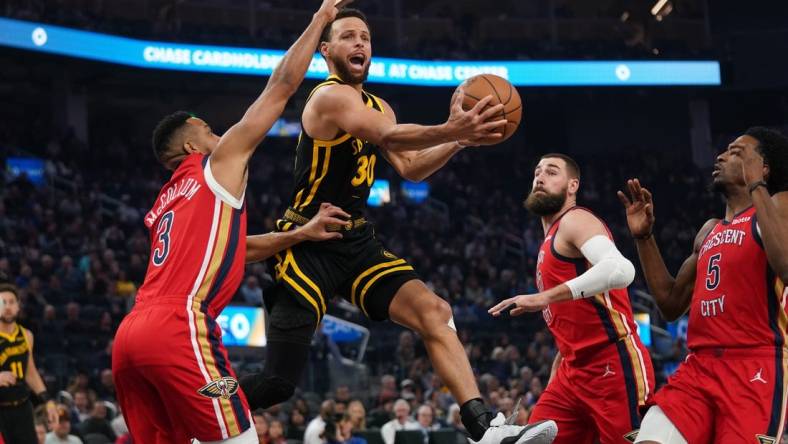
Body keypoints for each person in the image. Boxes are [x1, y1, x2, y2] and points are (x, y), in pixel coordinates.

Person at [239, 7, 557, 444]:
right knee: (279, 382)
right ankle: (200, 407)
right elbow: (389, 138)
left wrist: (457, 140)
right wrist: (449, 126)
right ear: (326, 50)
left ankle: (484, 429)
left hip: (354, 239)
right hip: (305, 241)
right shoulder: (328, 96)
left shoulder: (379, 105)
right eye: (349, 36)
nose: (360, 44)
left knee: (435, 312)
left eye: (366, 37)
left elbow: (409, 167)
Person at [111, 1, 354, 442]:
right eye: (207, 128)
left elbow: (232, 251)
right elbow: (280, 87)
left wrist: (298, 234)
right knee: (240, 435)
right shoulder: (216, 162)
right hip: (180, 329)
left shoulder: (167, 201)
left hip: (129, 340)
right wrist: (321, 16)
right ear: (190, 145)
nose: (218, 133)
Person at [620, 127, 788, 443]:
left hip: (754, 364)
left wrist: (757, 185)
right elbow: (670, 303)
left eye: (737, 152)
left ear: (763, 166)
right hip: (698, 366)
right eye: (724, 150)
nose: (722, 155)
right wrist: (644, 237)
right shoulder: (709, 230)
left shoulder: (779, 205)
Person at [489, 153, 655, 443]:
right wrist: (561, 358)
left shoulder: (575, 220)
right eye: (537, 172)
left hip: (612, 363)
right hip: (571, 371)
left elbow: (621, 269)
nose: (540, 177)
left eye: (552, 172)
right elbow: (576, 315)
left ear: (572, 185)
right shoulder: (550, 237)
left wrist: (543, 298)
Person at [0, 284, 59, 443]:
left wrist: (48, 401)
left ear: (18, 306)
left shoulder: (27, 335)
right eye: (2, 302)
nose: (7, 307)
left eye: (11, 302)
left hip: (22, 407)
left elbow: (30, 373)